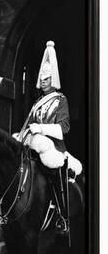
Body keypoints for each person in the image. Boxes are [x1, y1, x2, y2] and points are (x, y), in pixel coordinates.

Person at [17, 40, 82, 234]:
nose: (43, 81)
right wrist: (21, 135)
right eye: (42, 78)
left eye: (47, 78)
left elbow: (64, 128)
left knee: (55, 169)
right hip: (35, 144)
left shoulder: (61, 100)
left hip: (53, 146)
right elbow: (27, 123)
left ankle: (62, 215)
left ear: (53, 79)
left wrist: (42, 129)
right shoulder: (37, 102)